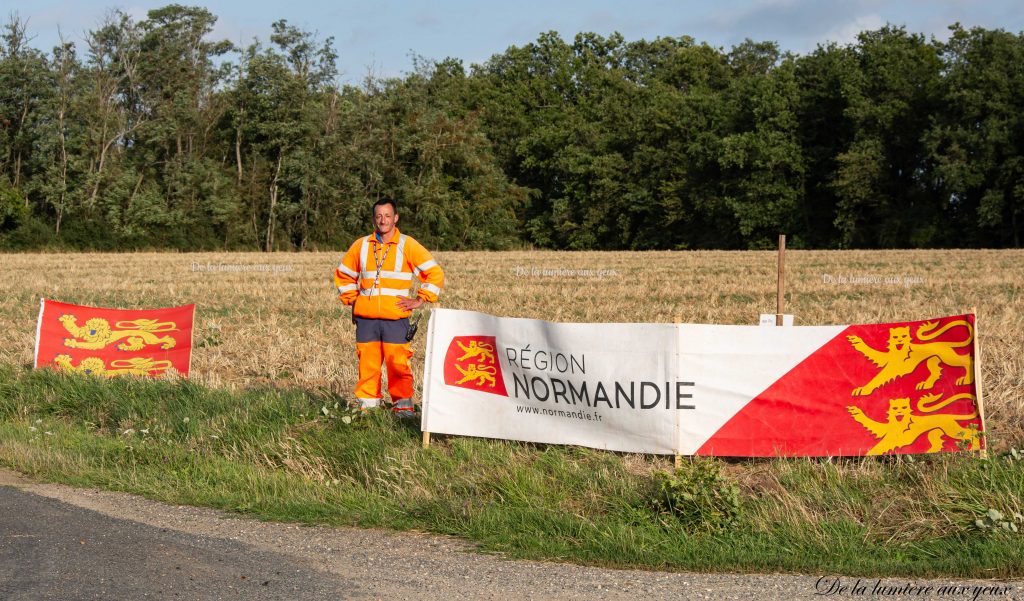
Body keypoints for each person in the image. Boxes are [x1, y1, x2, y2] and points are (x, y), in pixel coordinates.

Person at [333, 198, 444, 414]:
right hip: (366, 320)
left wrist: (421, 299)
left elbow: (434, 272)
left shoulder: (407, 245)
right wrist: (354, 300)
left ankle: (403, 411)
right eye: (378, 216)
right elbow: (343, 275)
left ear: (396, 218)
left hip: (396, 319)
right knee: (368, 366)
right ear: (374, 219)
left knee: (398, 366)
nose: (383, 220)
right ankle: (368, 412)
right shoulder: (361, 245)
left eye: (387, 215)